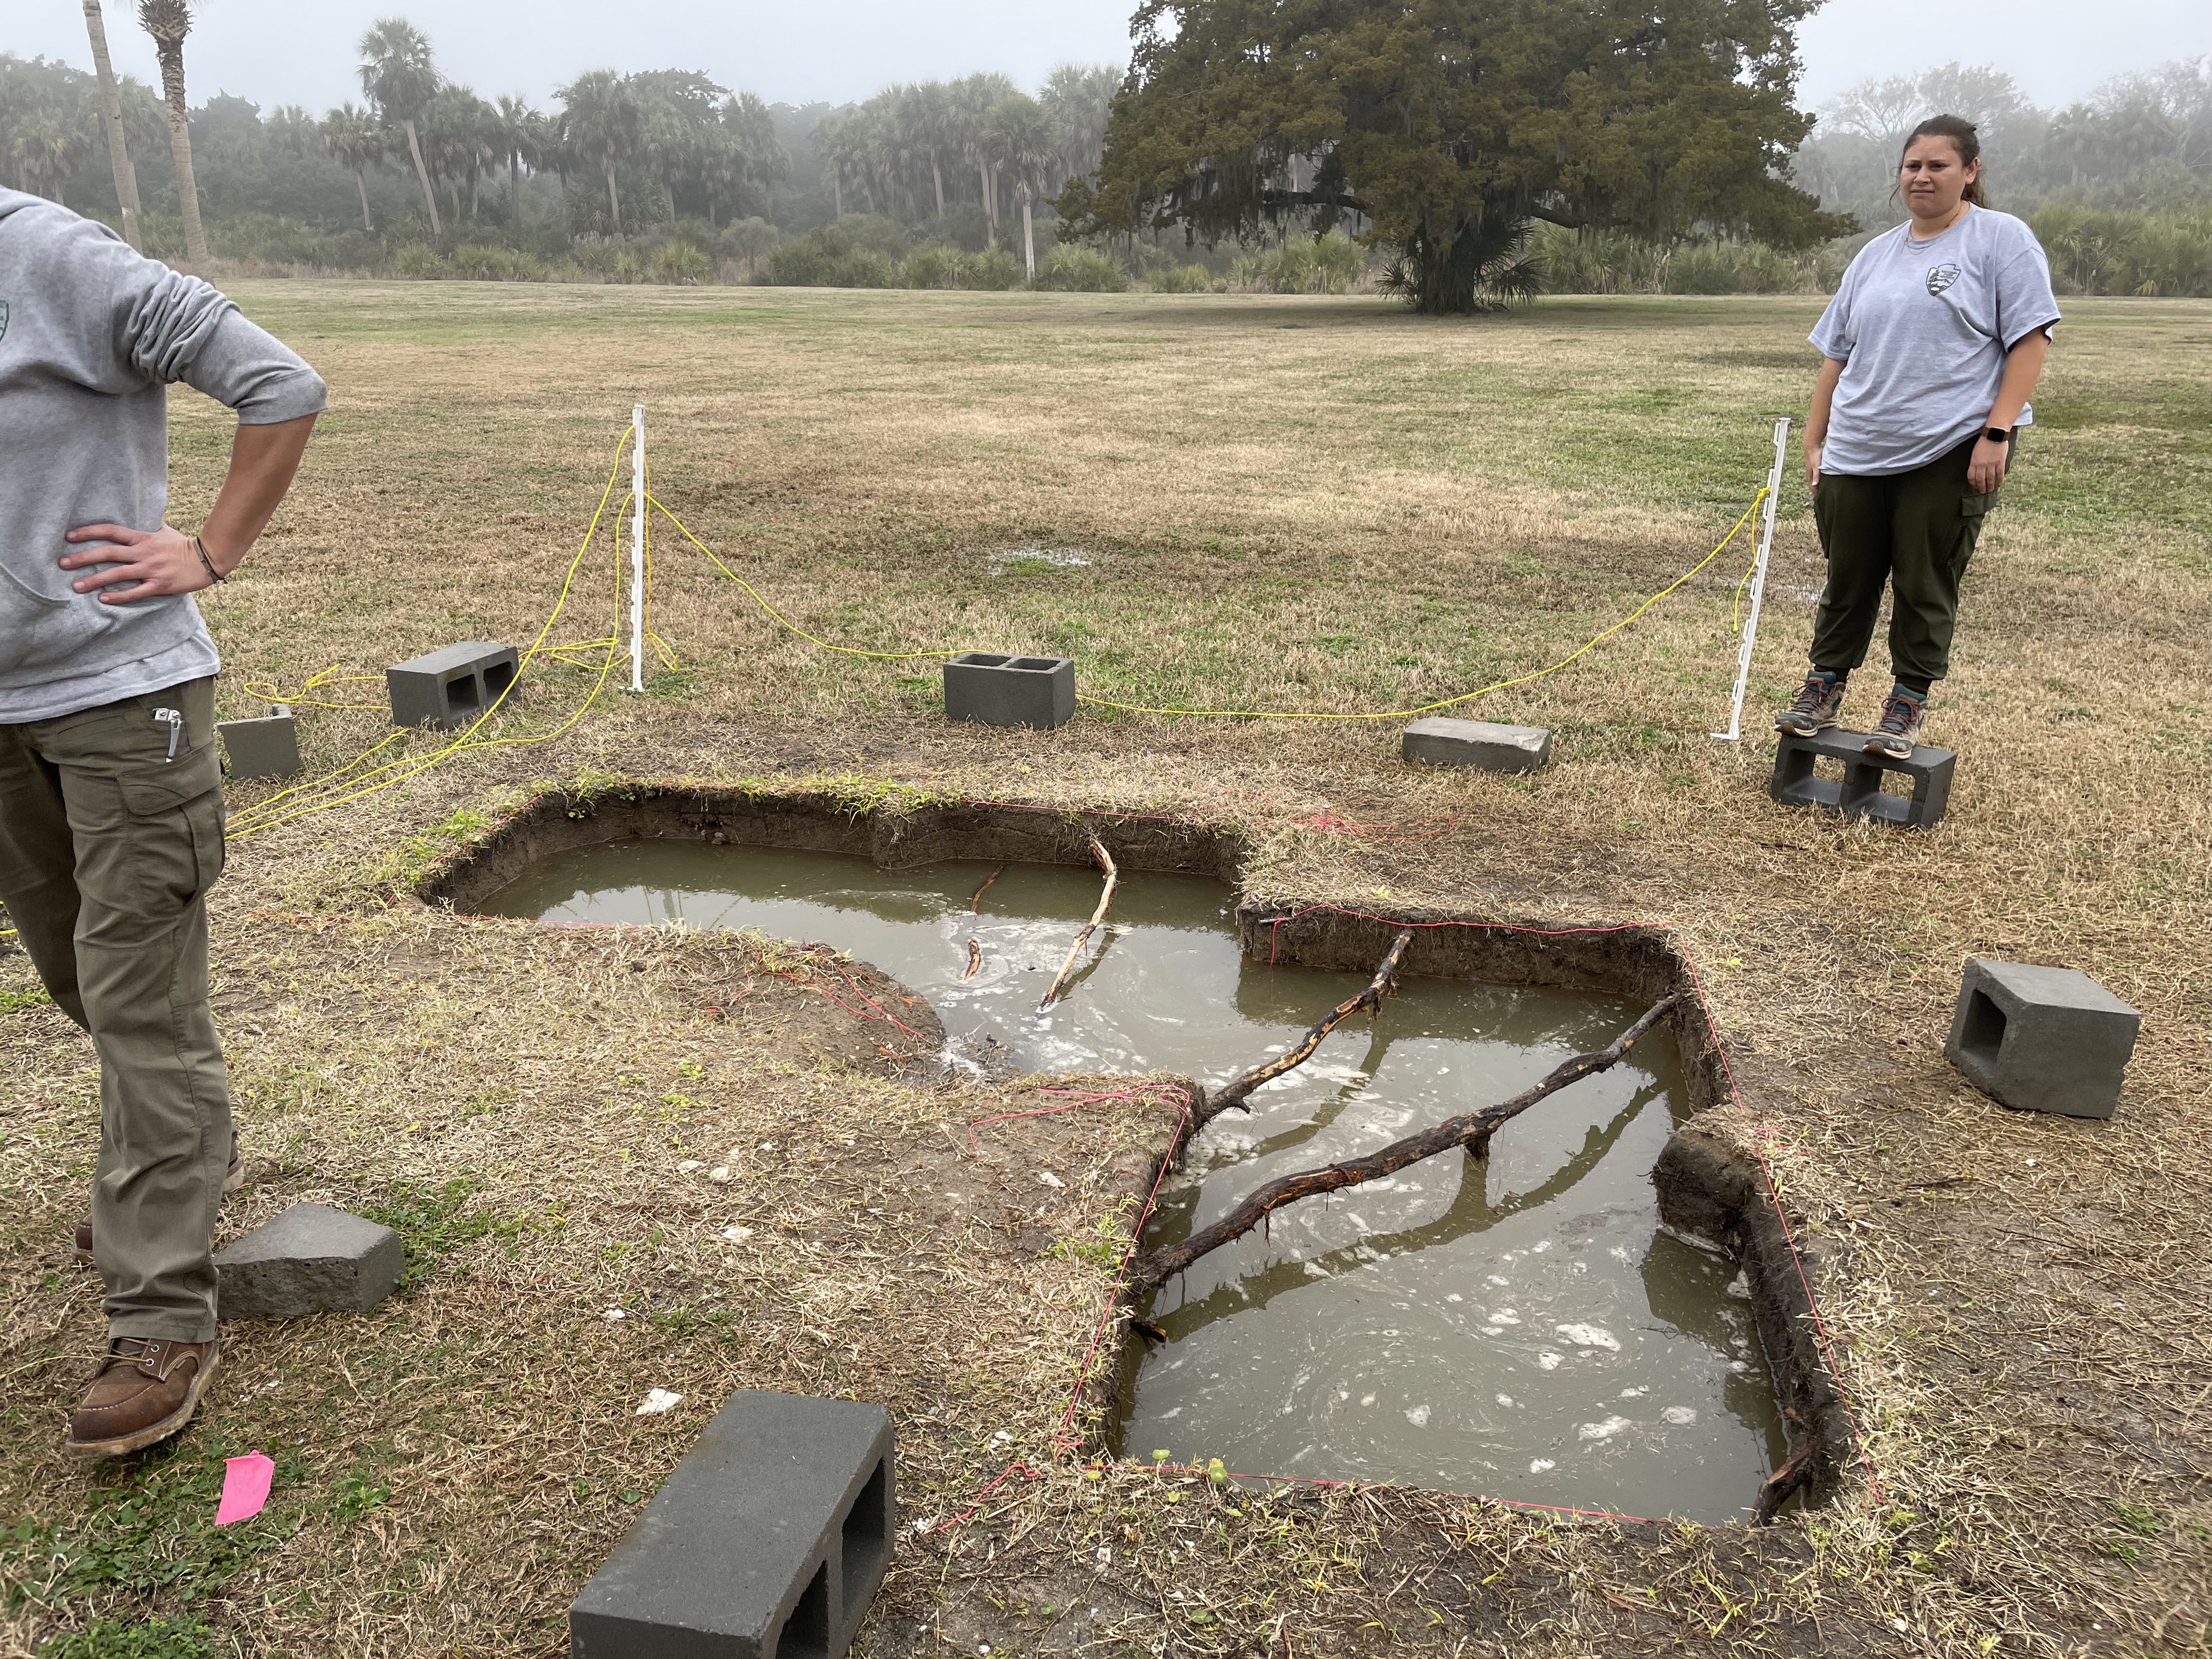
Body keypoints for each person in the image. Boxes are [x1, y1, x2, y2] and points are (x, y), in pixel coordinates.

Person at [0, 188, 325, 1457]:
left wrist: (212, 546)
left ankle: (162, 1314)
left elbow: (279, 381)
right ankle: (167, 1164)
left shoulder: (50, 258)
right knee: (76, 976)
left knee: (141, 1003)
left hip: (127, 703)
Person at [1777, 114, 2059, 758]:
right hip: (1858, 448)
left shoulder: (2000, 241)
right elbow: (1835, 356)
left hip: (1948, 447)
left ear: (1970, 171)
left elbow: (2030, 342)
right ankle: (1821, 689)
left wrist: (1998, 431)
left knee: (1925, 580)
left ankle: (1905, 704)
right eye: (1913, 165)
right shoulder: (1876, 254)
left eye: (1938, 165)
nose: (1923, 176)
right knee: (1847, 578)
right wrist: (1816, 440)